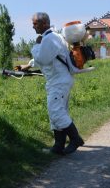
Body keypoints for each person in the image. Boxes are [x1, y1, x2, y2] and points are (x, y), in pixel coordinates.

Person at [30, 12, 84, 155]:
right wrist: (27, 66)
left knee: (56, 111)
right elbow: (47, 56)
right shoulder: (53, 37)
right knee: (57, 112)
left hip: (58, 82)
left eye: (35, 23)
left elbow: (42, 58)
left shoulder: (49, 38)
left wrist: (36, 45)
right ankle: (58, 146)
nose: (33, 26)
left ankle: (75, 139)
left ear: (45, 23)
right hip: (59, 81)